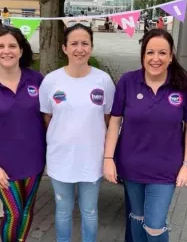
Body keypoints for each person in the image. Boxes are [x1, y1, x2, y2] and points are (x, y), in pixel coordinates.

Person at [104, 28, 187, 242]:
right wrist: (108, 158)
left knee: (155, 224)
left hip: (166, 170)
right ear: (143, 55)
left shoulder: (184, 86)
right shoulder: (128, 82)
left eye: (162, 53)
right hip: (131, 166)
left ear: (171, 56)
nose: (156, 59)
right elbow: (115, 121)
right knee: (137, 218)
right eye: (150, 52)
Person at [39, 23, 115, 242]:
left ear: (91, 47)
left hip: (92, 159)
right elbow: (48, 118)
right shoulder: (51, 81)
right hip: (60, 158)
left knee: (89, 211)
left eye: (85, 43)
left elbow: (108, 119)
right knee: (63, 210)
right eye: (74, 43)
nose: (79, 49)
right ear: (64, 48)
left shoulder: (104, 80)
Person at [0, 26, 45, 242]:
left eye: (13, 45)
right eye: (0, 46)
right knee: (13, 213)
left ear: (21, 50)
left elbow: (49, 117)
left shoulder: (37, 80)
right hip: (2, 165)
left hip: (34, 161)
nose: (7, 51)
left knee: (27, 210)